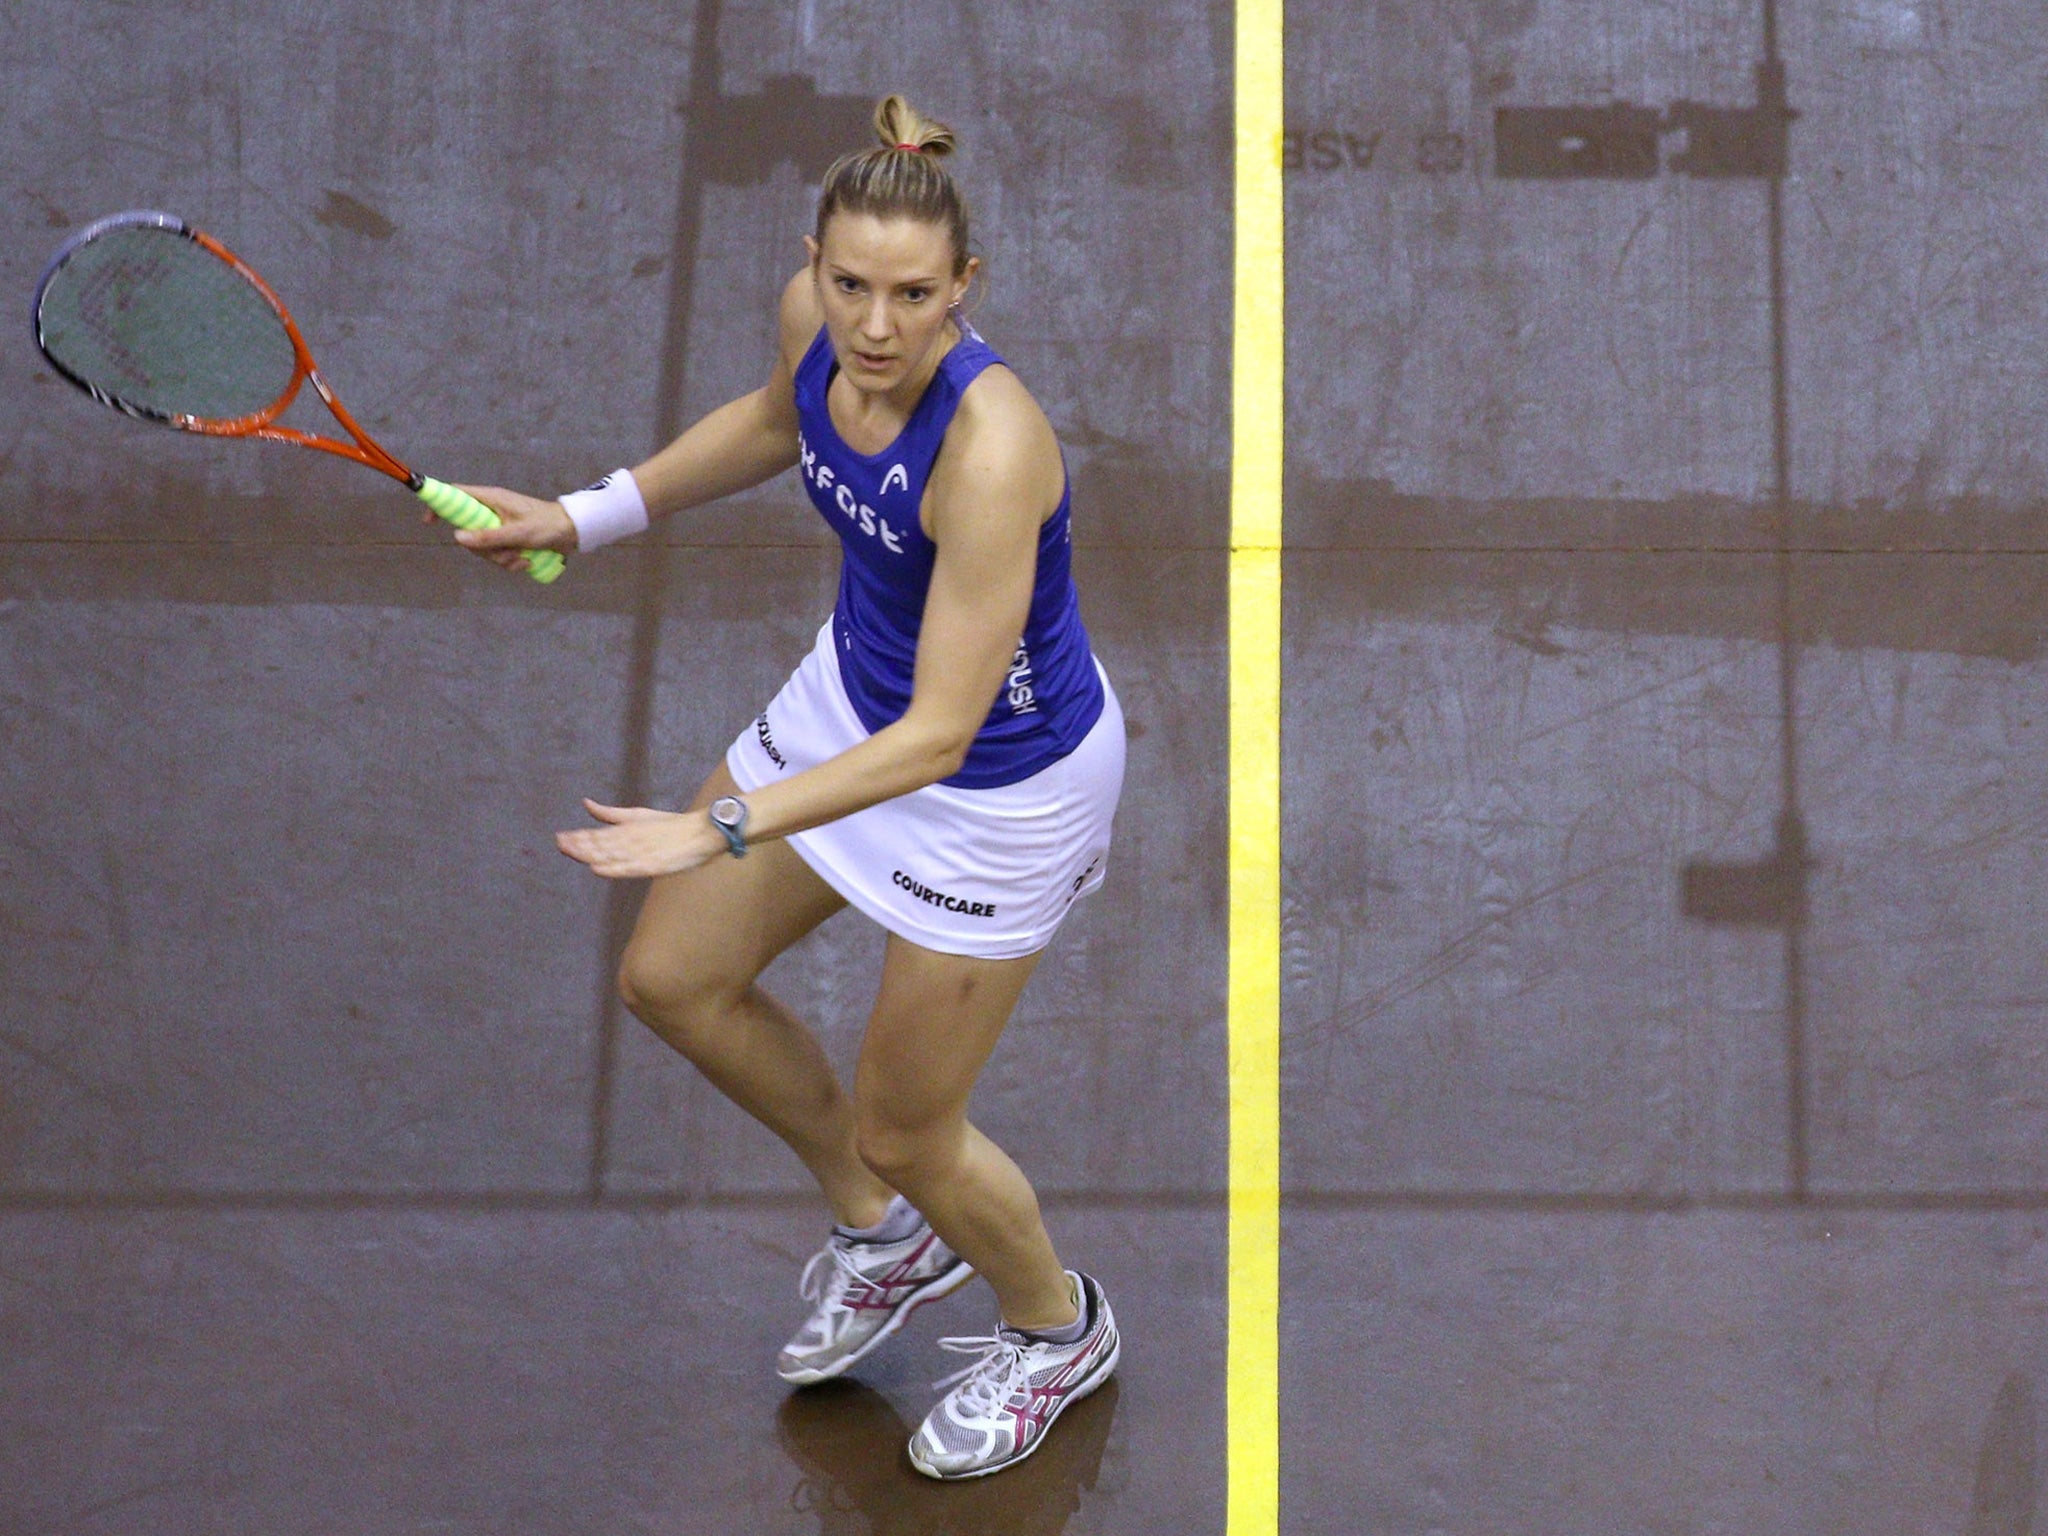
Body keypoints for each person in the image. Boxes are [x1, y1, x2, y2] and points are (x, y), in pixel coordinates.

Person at [451, 94, 1126, 1480]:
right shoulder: (814, 326)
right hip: (853, 699)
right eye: (851, 284)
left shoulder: (993, 448)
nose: (876, 327)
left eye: (915, 296)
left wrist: (716, 828)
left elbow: (940, 738)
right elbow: (777, 422)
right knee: (673, 980)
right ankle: (887, 1231)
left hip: (997, 788)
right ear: (816, 263)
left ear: (965, 287)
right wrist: (587, 515)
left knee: (910, 1124)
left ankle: (1057, 1328)